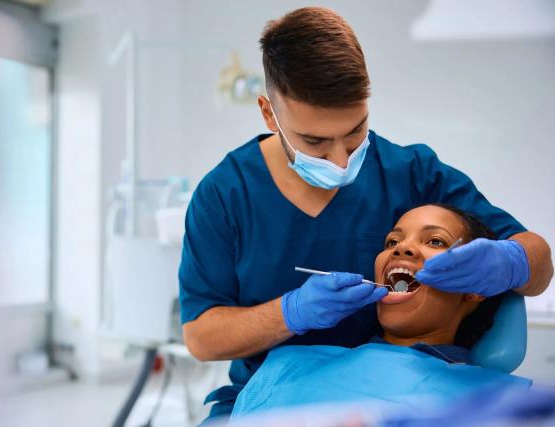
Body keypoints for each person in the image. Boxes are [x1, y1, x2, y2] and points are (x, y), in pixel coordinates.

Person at [178, 7, 553, 422]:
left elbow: (538, 262)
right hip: (275, 396)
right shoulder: (226, 194)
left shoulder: (411, 173)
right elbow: (201, 337)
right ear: (270, 114)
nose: (340, 161)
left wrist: (510, 261)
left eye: (355, 132)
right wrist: (290, 312)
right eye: (316, 141)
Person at [230, 204, 531, 419]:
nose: (401, 249)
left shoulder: (505, 404)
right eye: (393, 242)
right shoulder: (288, 365)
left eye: (435, 241)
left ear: (475, 285)